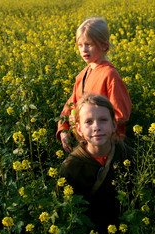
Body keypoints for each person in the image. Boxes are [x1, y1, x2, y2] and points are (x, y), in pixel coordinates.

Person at [59, 94, 135, 234]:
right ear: (79, 129)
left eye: (103, 120)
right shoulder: (71, 167)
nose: (96, 127)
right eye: (89, 122)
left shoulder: (127, 154)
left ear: (114, 125)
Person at [56, 17, 132, 153]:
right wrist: (64, 129)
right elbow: (69, 106)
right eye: (80, 45)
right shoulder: (82, 75)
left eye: (89, 44)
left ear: (104, 46)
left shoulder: (109, 75)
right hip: (86, 143)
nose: (83, 50)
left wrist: (90, 125)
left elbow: (120, 114)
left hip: (107, 145)